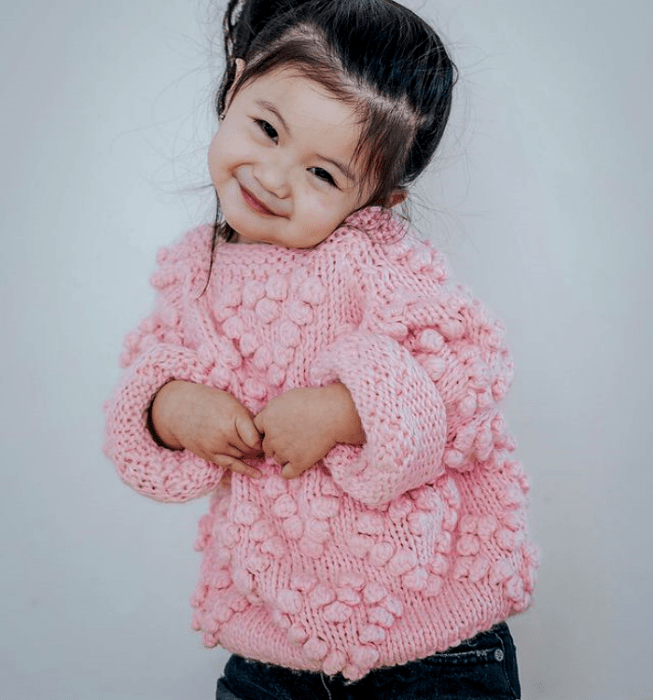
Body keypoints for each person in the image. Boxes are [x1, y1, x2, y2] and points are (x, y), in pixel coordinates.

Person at [104, 0, 538, 697]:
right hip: (271, 649)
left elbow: (470, 369)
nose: (275, 178)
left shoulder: (375, 261)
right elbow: (144, 386)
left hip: (431, 643)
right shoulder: (193, 273)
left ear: (378, 201)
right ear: (237, 81)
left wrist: (343, 411)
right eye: (268, 129)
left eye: (324, 175)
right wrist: (172, 408)